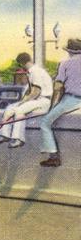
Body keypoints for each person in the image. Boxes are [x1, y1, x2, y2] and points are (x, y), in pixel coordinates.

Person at [0, 52, 52, 148]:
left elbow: (36, 92)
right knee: (10, 108)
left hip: (43, 101)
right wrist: (21, 102)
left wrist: (23, 103)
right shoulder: (31, 72)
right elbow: (29, 91)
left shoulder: (36, 72)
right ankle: (4, 135)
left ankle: (18, 139)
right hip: (36, 101)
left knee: (19, 110)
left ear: (21, 63)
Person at [40, 39, 81, 167]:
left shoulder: (65, 63)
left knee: (45, 122)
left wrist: (52, 107)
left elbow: (58, 87)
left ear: (69, 51)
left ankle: (53, 157)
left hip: (73, 100)